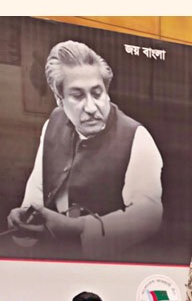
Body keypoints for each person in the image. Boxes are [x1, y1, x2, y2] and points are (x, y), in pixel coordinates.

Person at [5, 40, 163, 254]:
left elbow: (148, 216)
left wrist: (78, 229)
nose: (91, 107)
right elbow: (38, 188)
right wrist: (25, 215)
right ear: (59, 99)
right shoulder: (52, 124)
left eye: (97, 93)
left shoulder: (137, 137)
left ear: (106, 92)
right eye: (78, 96)